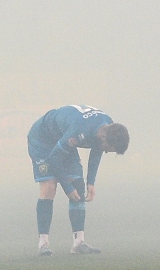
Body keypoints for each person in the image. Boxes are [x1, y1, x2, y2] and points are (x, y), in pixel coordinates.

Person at [26, 106, 129, 256]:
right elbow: (54, 158)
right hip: (42, 138)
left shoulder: (107, 126)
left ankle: (79, 243)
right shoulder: (79, 131)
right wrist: (67, 188)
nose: (106, 151)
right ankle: (43, 244)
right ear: (104, 137)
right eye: (109, 148)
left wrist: (91, 182)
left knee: (78, 187)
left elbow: (97, 149)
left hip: (63, 137)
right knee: (49, 187)